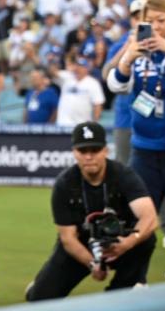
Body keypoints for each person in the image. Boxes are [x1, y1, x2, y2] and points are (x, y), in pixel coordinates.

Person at [107, 0, 165, 280]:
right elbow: (115, 84)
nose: (155, 28)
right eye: (150, 21)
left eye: (162, 21)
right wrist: (127, 59)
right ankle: (136, 282)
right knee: (138, 222)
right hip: (144, 151)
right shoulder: (139, 51)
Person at [25, 122, 157, 301]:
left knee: (146, 238)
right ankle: (39, 286)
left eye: (94, 150)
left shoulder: (123, 175)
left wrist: (127, 243)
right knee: (39, 299)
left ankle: (123, 290)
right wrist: (92, 263)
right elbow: (68, 238)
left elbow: (149, 217)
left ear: (105, 151)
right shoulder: (65, 183)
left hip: (121, 241)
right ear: (74, 152)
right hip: (82, 244)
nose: (89, 156)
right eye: (83, 151)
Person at [102, 0, 146, 165]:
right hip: (126, 116)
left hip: (150, 114)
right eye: (136, 17)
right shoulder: (121, 42)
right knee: (123, 167)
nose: (140, 21)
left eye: (145, 17)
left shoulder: (160, 42)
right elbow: (106, 74)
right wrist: (127, 48)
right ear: (131, 20)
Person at [54, 55, 105, 127]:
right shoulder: (67, 77)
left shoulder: (93, 83)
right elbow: (52, 73)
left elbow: (98, 104)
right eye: (77, 66)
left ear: (86, 68)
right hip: (63, 124)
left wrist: (95, 124)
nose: (78, 68)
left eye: (81, 66)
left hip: (82, 126)